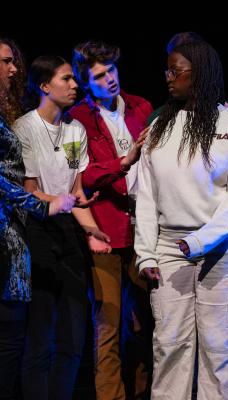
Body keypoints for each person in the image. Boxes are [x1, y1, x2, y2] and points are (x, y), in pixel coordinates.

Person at [135, 39, 228, 400]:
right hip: (170, 249)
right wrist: (146, 252)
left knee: (220, 352)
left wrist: (201, 241)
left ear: (199, 73)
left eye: (176, 70)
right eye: (167, 70)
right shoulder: (159, 127)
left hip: (224, 251)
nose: (168, 77)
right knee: (169, 347)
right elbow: (146, 196)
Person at [13, 54, 111, 400]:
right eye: (66, 79)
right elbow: (29, 190)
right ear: (44, 86)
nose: (74, 85)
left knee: (72, 334)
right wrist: (61, 202)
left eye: (73, 79)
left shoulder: (75, 129)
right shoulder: (24, 128)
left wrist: (92, 229)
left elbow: (76, 192)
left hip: (67, 230)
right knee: (41, 334)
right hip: (37, 230)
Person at [69, 41, 153, 400]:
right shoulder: (76, 119)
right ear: (86, 83)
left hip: (145, 230)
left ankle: (143, 392)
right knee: (108, 324)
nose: (110, 79)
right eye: (100, 76)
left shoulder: (141, 107)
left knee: (146, 322)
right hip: (105, 232)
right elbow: (79, 175)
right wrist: (122, 163)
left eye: (112, 70)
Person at [0, 38, 76, 400]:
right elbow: (11, 183)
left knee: (16, 341)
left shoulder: (74, 130)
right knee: (16, 342)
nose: (13, 68)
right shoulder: (24, 126)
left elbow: (76, 181)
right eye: (5, 61)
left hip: (19, 239)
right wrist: (47, 205)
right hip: (15, 237)